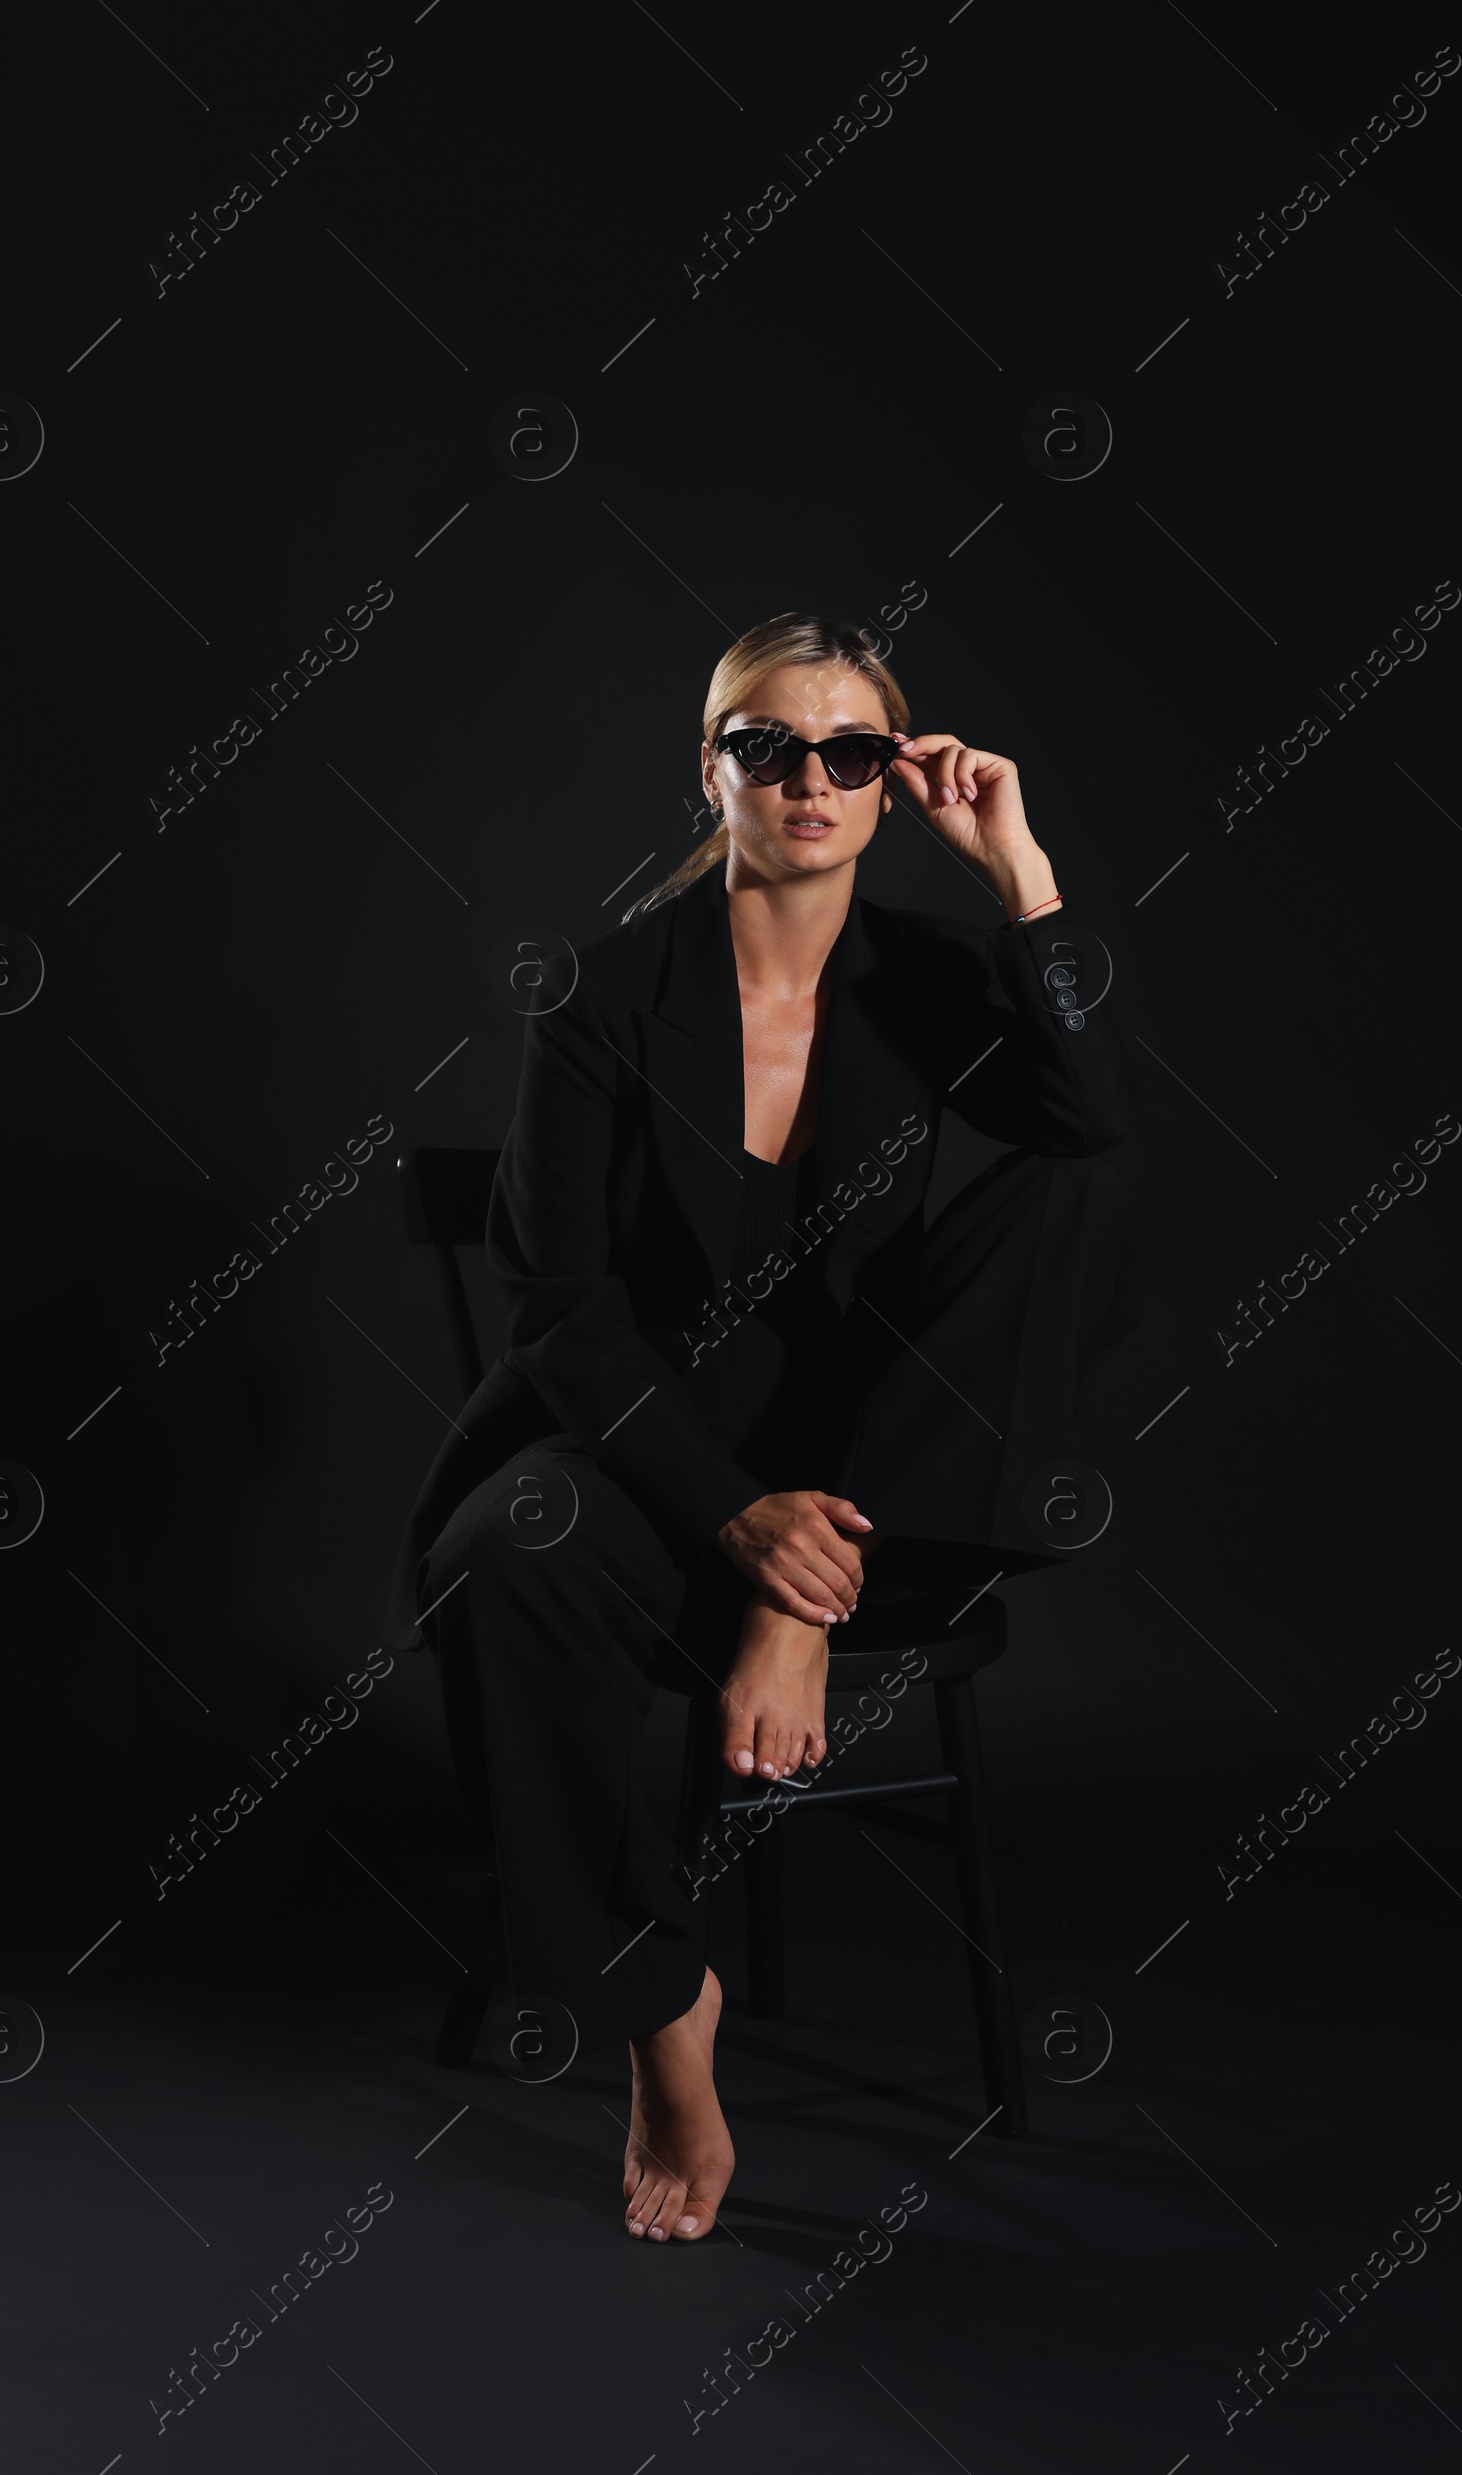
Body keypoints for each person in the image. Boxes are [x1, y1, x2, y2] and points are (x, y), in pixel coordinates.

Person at [381, 612, 1138, 2246]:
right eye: (767, 746)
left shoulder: (934, 981)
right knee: (496, 1557)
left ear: (892, 783)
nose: (810, 779)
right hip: (651, 1453)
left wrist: (1021, 871)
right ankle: (663, 2006)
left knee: (1069, 1184)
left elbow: (1090, 1117)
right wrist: (733, 1517)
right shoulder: (601, 996)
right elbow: (561, 1316)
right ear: (708, 769)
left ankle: (806, 1601)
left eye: (852, 752)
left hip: (878, 1460)